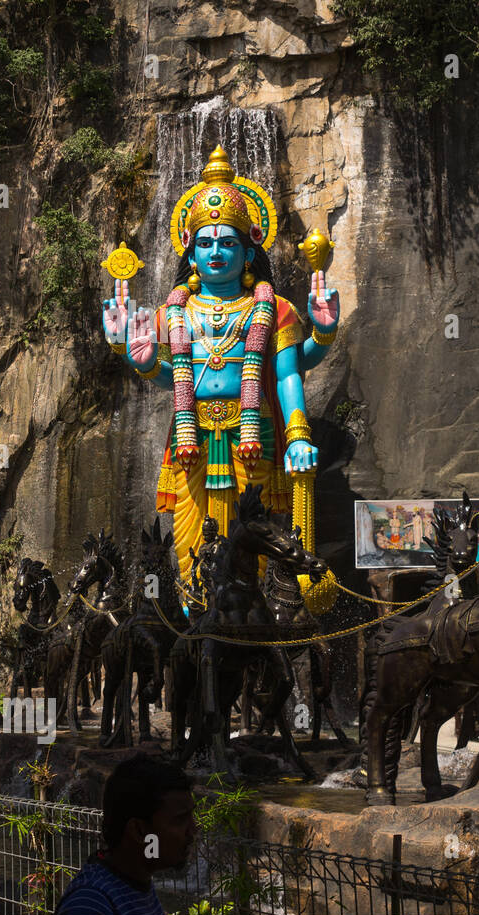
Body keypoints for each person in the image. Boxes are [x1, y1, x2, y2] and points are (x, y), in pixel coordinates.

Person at [104, 145, 339, 585]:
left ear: (249, 253)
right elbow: (172, 381)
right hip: (191, 441)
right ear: (190, 256)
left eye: (229, 243)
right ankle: (196, 632)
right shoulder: (172, 314)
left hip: (255, 437)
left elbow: (288, 372)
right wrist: (138, 357)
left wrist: (321, 338)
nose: (216, 252)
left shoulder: (275, 309)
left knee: (257, 550)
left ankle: (258, 635)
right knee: (192, 555)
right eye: (206, 244)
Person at [54, 754, 197, 915]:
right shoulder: (89, 908)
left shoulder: (135, 883)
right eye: (180, 820)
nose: (193, 830)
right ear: (138, 831)